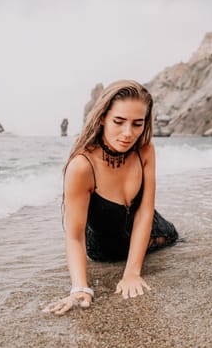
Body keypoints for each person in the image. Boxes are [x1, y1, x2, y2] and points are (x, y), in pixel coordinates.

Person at [45, 80, 180, 315]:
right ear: (102, 118)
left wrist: (132, 273)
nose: (128, 133)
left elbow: (145, 211)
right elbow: (74, 237)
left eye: (137, 124)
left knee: (173, 236)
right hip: (106, 251)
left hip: (156, 234)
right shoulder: (82, 165)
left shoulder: (145, 150)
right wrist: (79, 288)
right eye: (119, 122)